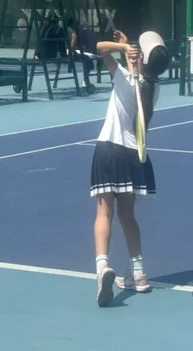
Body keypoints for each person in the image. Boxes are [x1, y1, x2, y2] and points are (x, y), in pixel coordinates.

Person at [91, 29, 170, 307]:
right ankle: (139, 274)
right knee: (128, 216)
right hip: (133, 155)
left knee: (104, 213)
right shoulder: (153, 89)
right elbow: (140, 76)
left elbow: (100, 48)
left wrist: (122, 49)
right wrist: (128, 51)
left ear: (140, 58)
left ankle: (102, 267)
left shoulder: (123, 77)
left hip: (108, 149)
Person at [65, 17, 99, 92]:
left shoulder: (75, 33)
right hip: (92, 51)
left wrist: (68, 49)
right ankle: (85, 81)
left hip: (85, 53)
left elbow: (72, 46)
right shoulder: (87, 30)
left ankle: (85, 81)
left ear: (71, 26)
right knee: (86, 59)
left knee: (70, 52)